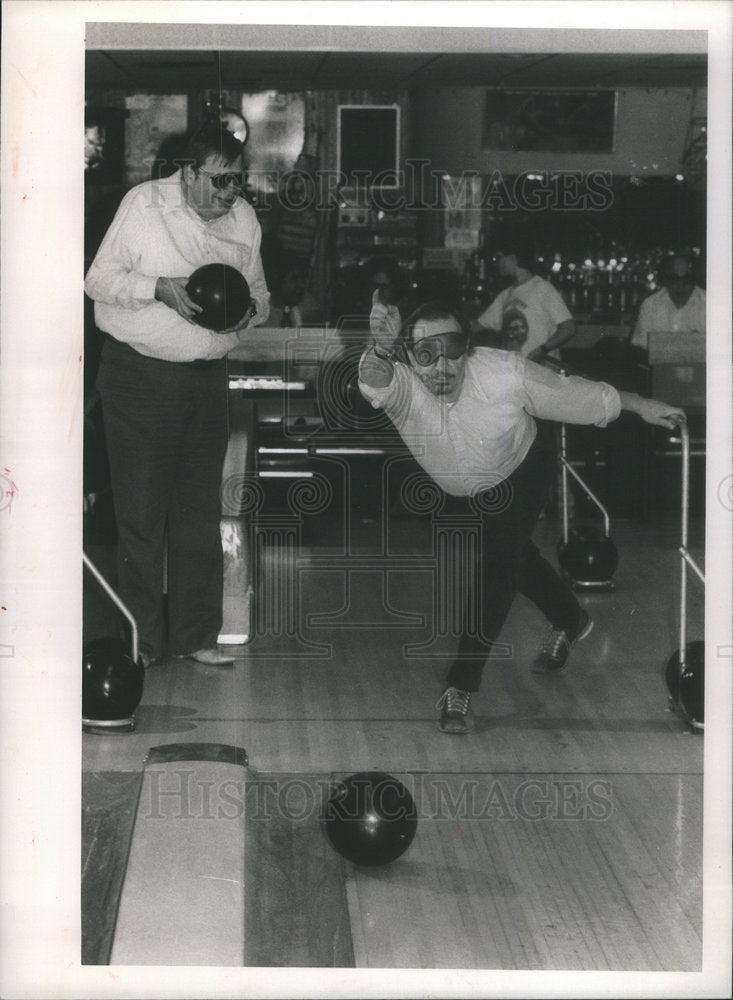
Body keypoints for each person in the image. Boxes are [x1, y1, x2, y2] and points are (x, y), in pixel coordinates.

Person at [359, 300, 685, 734]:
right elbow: (372, 380)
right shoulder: (400, 385)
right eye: (425, 353)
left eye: (452, 348)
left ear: (469, 349)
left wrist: (638, 403)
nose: (441, 364)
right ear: (408, 358)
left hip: (522, 469)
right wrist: (379, 350)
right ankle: (571, 619)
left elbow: (575, 396)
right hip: (462, 488)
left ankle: (460, 687)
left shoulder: (504, 372)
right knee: (514, 559)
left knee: (499, 563)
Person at [84, 123, 270, 668]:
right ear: (187, 173)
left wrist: (249, 311)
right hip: (139, 378)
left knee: (197, 513)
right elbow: (97, 280)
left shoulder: (244, 220)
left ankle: (195, 636)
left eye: (237, 183)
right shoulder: (144, 205)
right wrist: (157, 289)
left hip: (207, 378)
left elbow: (260, 294)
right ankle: (141, 642)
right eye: (218, 182)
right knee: (142, 516)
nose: (228, 194)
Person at [472, 232, 575, 360]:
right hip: (517, 370)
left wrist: (542, 350)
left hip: (542, 370)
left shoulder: (542, 288)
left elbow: (568, 328)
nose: (496, 263)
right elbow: (477, 325)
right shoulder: (505, 295)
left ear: (513, 258)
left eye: (498, 257)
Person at [630, 252, 706, 352]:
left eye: (686, 280)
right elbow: (641, 347)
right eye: (675, 279)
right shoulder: (650, 305)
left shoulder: (711, 305)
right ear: (666, 280)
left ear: (694, 280)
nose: (680, 286)